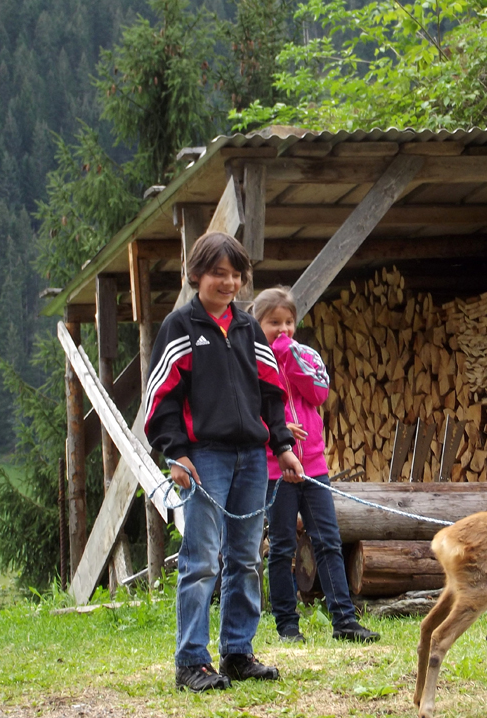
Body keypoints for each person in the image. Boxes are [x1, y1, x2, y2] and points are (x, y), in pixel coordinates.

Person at [144, 233, 304, 693]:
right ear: (196, 274)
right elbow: (160, 399)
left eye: (236, 274)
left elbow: (271, 393)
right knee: (200, 561)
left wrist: (282, 446)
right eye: (219, 273)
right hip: (204, 459)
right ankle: (191, 661)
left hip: (253, 459)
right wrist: (175, 453)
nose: (229, 282)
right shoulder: (179, 327)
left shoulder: (248, 328)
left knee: (245, 558)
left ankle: (237, 652)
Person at [253, 286, 380, 644]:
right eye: (273, 322)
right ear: (257, 323)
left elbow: (318, 394)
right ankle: (287, 625)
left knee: (327, 540)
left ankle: (344, 620)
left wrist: (289, 356)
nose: (283, 329)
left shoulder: (304, 355)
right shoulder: (249, 361)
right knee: (281, 547)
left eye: (289, 322)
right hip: (275, 468)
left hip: (313, 465)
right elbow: (247, 413)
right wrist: (274, 432)